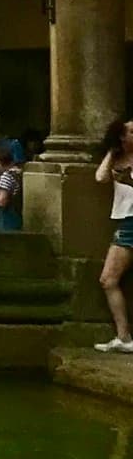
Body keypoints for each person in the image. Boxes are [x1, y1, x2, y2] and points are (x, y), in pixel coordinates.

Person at [94, 118, 133, 350]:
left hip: (130, 223)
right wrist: (112, 152)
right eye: (131, 131)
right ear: (122, 136)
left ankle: (124, 337)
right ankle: (123, 336)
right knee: (109, 280)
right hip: (125, 221)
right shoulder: (117, 159)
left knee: (108, 279)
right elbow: (100, 177)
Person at [0, 148, 25, 233]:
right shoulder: (20, 173)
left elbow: (2, 202)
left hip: (7, 217)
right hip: (18, 214)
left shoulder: (6, 176)